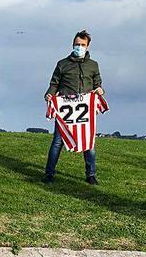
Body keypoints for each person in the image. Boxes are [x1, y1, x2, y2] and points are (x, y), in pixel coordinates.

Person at [43, 30, 103, 184]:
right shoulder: (62, 64)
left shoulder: (93, 65)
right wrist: (49, 95)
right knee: (57, 141)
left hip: (85, 111)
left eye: (82, 45)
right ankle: (49, 173)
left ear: (88, 46)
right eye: (77, 44)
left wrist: (100, 90)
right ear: (72, 45)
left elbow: (98, 84)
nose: (79, 47)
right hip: (65, 110)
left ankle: (91, 175)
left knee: (89, 143)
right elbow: (54, 83)